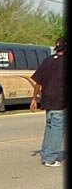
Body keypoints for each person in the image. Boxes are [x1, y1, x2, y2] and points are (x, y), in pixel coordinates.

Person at [30, 37, 67, 167]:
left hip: (47, 100)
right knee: (57, 129)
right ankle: (50, 158)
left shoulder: (47, 61)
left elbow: (38, 82)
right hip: (60, 101)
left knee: (50, 127)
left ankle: (46, 154)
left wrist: (34, 99)